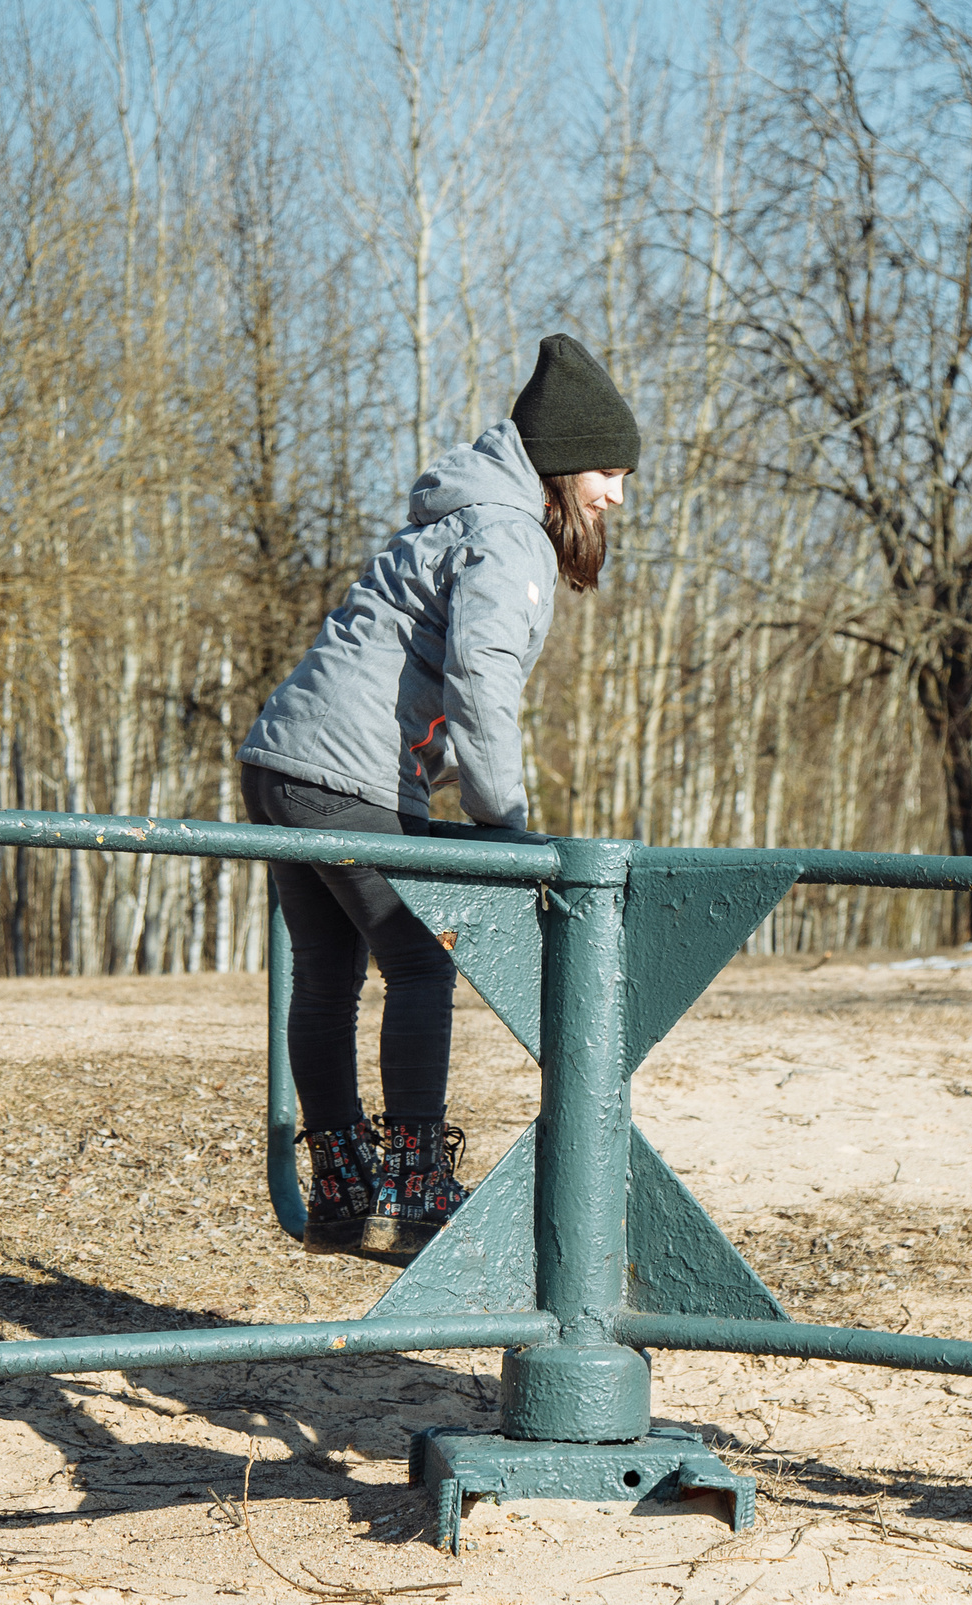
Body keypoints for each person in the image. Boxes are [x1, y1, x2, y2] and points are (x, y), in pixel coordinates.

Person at [237, 333, 639, 1263]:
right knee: (421, 962)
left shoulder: (459, 516)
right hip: (347, 774)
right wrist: (507, 825)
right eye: (609, 473)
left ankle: (341, 1191)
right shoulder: (511, 535)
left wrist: (448, 777)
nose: (615, 495)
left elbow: (424, 685)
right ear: (565, 464)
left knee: (329, 977)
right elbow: (481, 684)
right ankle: (416, 1188)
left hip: (283, 761)